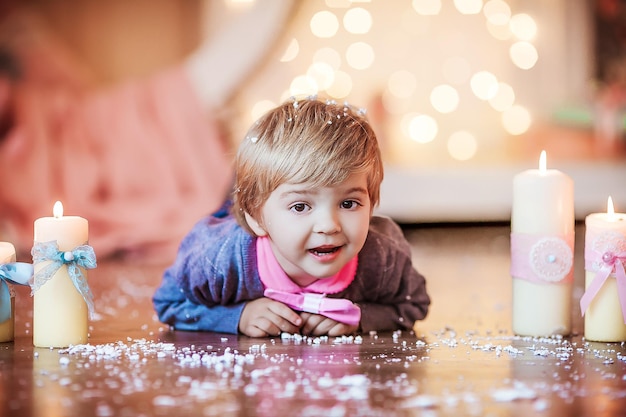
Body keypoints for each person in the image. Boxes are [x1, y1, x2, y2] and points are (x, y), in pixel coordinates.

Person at [153, 96, 430, 337]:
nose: (328, 226)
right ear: (256, 220)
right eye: (301, 207)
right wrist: (237, 317)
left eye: (348, 203)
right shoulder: (219, 259)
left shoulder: (382, 257)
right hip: (235, 221)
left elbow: (413, 304)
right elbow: (169, 303)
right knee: (235, 200)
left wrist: (360, 318)